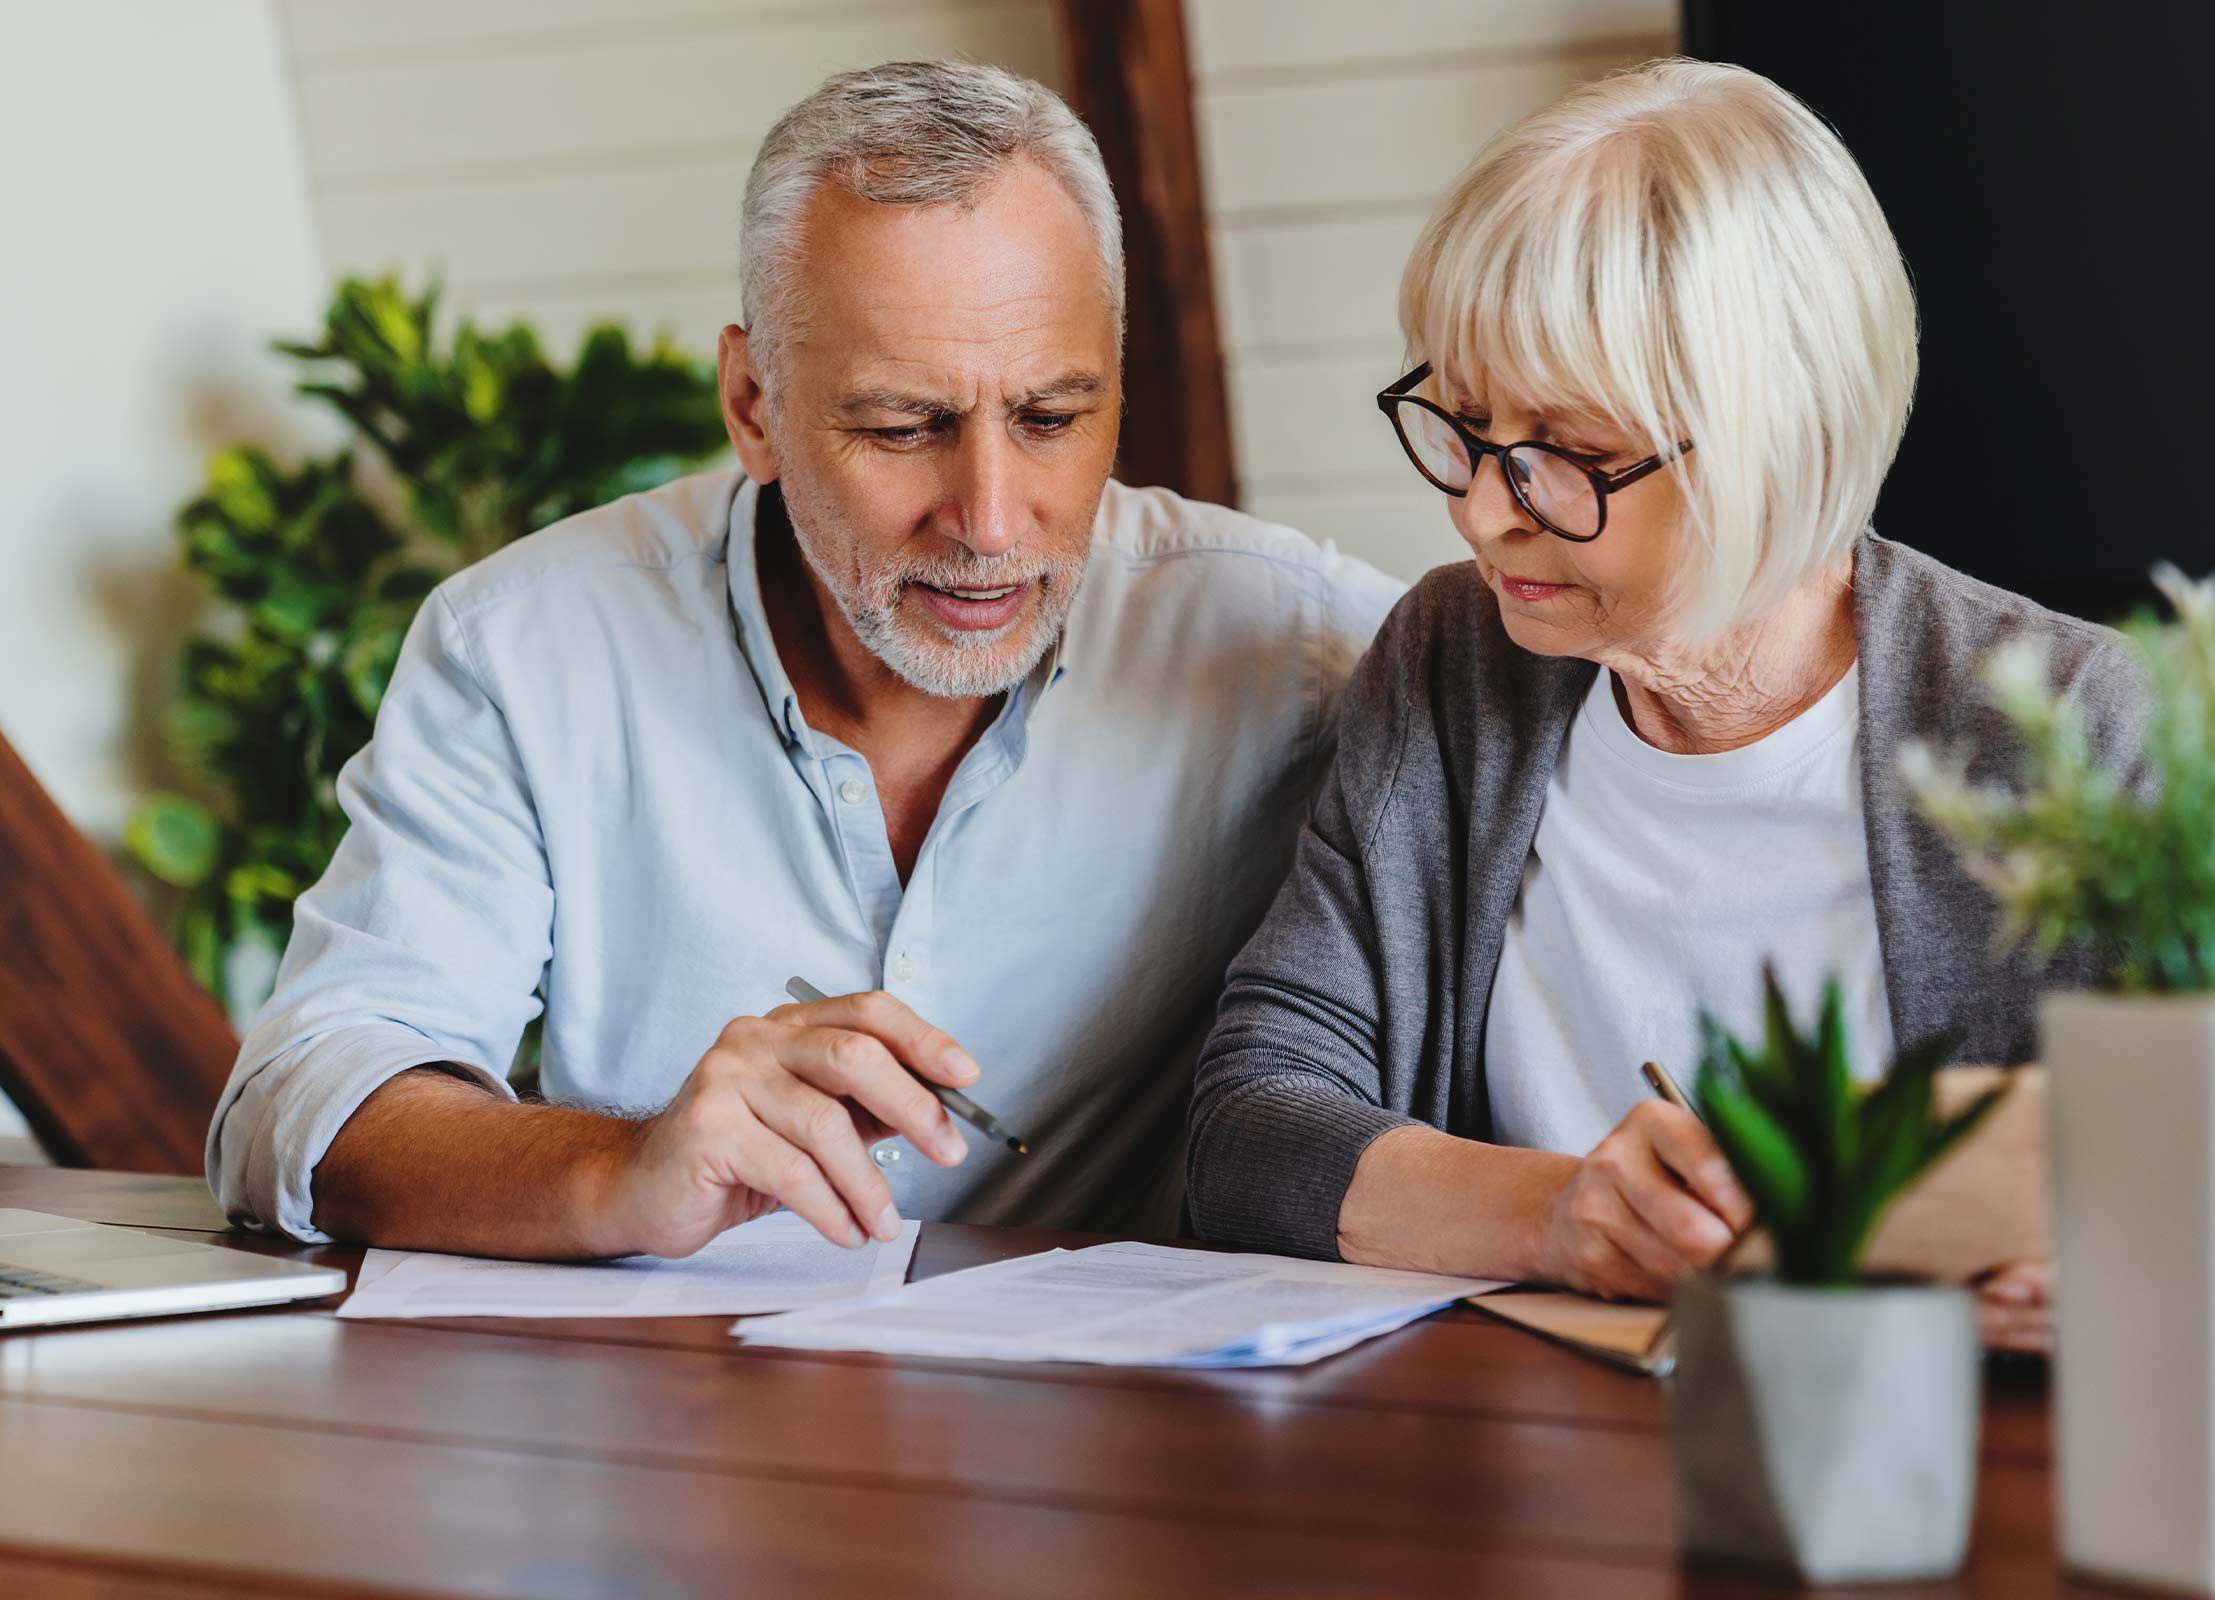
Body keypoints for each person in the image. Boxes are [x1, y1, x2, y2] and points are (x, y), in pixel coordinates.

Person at [1184, 59, 2215, 1351]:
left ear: (1773, 439)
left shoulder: (2072, 728)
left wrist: (2160, 1266)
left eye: (1567, 456)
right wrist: (1558, 1213)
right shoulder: (1449, 666)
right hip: (1522, 1479)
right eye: (1467, 427)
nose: (1481, 509)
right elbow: (1250, 1127)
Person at [208, 60, 1400, 1259]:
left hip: (1126, 1424)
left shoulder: (1296, 645)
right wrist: (620, 1169)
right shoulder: (523, 650)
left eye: (1051, 417)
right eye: (902, 426)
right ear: (753, 406)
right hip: (689, 1418)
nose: (990, 519)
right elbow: (302, 1097)